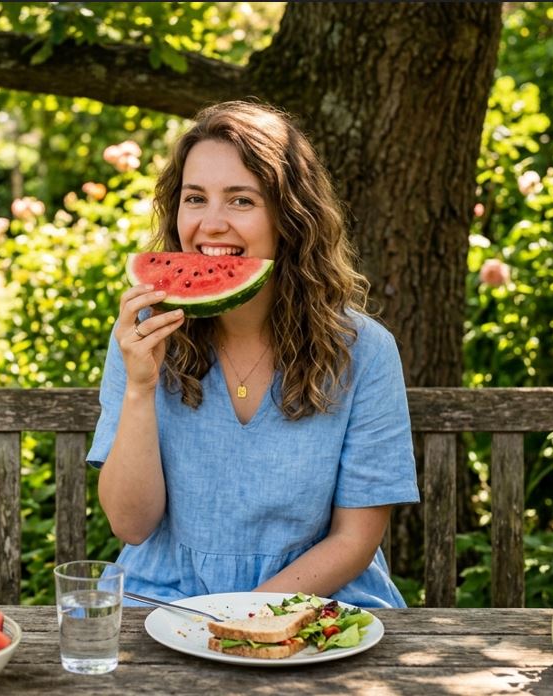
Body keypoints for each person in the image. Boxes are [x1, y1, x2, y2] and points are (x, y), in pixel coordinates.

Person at [86, 100, 419, 608]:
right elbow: (131, 525)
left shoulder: (365, 352)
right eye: (195, 199)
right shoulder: (144, 336)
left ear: (291, 216)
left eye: (241, 200)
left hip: (314, 601)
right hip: (164, 600)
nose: (211, 224)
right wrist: (139, 388)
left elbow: (355, 539)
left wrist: (243, 617)